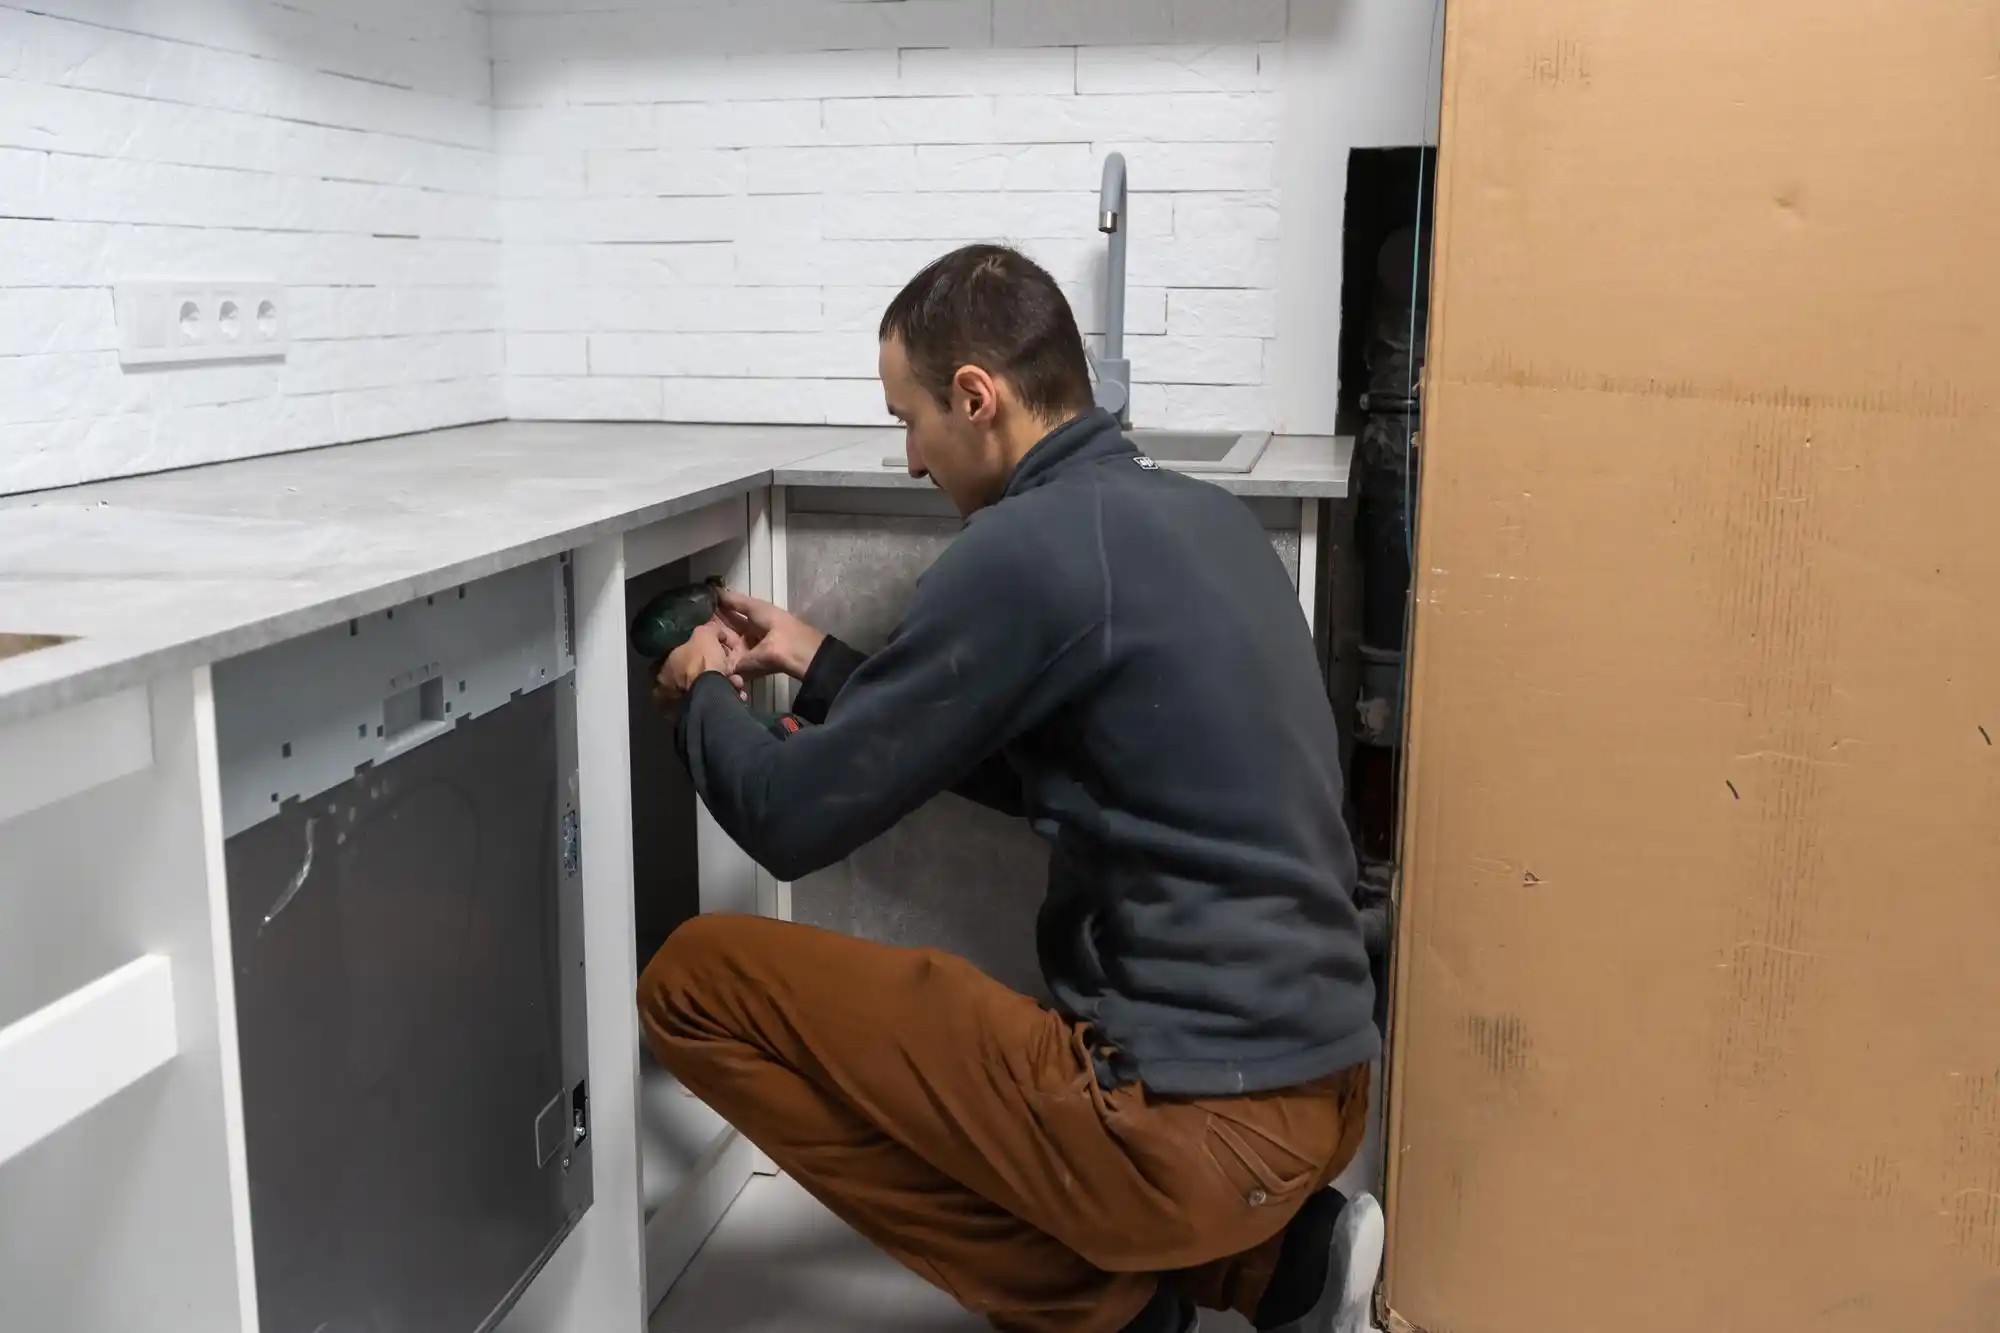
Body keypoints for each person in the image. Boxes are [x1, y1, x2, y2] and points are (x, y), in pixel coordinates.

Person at [643, 243, 1383, 1333]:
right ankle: (1279, 1265)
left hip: (1188, 1131)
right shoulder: (1202, 520)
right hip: (1321, 1090)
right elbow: (1031, 764)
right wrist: (822, 660)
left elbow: (788, 820)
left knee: (692, 982)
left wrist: (697, 691)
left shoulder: (1021, 549)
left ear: (975, 398)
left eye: (908, 419)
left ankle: (1109, 1309)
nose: (907, 460)